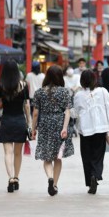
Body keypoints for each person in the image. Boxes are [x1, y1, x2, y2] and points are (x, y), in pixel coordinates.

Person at [72, 70, 109, 194]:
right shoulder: (102, 91)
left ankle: (89, 178)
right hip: (100, 127)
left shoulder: (78, 95)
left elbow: (75, 113)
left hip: (85, 129)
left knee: (86, 155)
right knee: (98, 154)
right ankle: (95, 174)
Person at [31, 65, 74, 196]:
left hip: (44, 124)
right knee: (58, 157)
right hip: (59, 123)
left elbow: (35, 113)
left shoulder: (39, 92)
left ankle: (50, 177)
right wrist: (65, 128)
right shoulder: (65, 92)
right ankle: (54, 184)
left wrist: (33, 129)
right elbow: (67, 112)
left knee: (47, 156)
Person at [0, 60, 31, 193]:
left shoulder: (0, 85)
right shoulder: (23, 85)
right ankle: (16, 177)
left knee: (7, 153)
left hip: (6, 121)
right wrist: (29, 123)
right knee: (17, 153)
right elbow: (27, 105)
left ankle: (10, 178)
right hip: (20, 121)